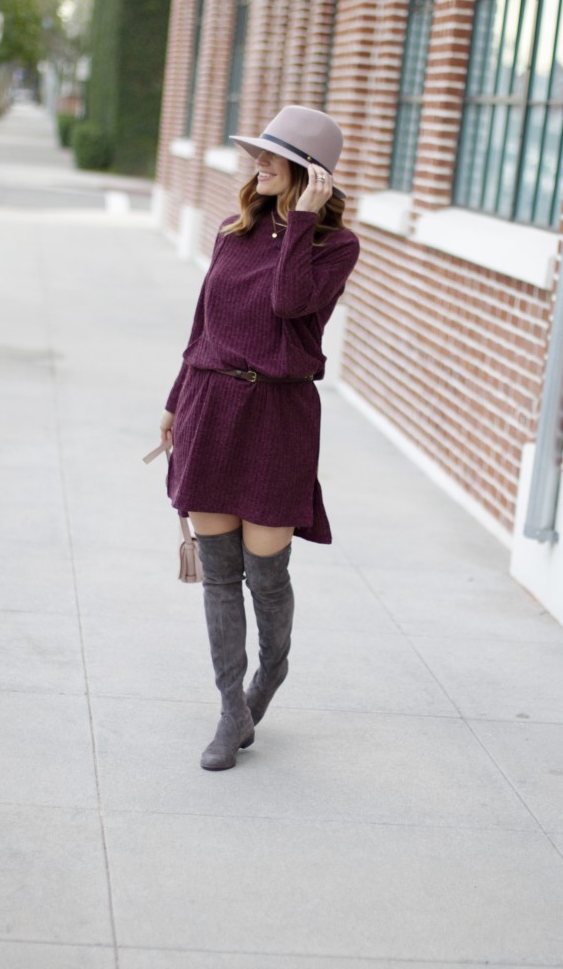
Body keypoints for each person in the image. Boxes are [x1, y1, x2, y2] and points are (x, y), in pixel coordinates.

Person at [159, 105, 360, 771]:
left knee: (264, 576)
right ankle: (229, 710)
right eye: (259, 154)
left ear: (310, 174)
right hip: (210, 407)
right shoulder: (231, 228)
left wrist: (302, 220)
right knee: (219, 577)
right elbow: (200, 326)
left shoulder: (334, 246)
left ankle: (268, 674)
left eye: (275, 157)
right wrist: (172, 404)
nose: (258, 164)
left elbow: (288, 305)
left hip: (277, 418)